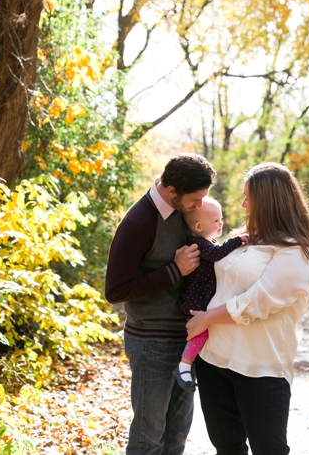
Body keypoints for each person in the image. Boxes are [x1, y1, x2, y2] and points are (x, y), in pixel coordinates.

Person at [185, 162, 309, 455]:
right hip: (213, 360)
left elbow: (258, 301)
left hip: (260, 366)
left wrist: (207, 318)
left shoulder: (298, 251)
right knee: (227, 447)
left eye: (248, 197)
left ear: (269, 202)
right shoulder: (245, 238)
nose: (242, 204)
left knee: (268, 449)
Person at [103, 153, 214, 455]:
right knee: (148, 438)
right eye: (194, 200)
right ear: (171, 191)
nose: (199, 206)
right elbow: (114, 290)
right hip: (151, 342)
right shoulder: (139, 222)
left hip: (186, 343)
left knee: (176, 437)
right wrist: (174, 271)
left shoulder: (186, 212)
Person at [171, 197, 248, 392]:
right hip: (195, 301)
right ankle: (184, 365)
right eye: (216, 220)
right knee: (201, 332)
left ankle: (188, 363)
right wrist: (238, 240)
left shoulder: (208, 241)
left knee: (203, 331)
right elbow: (217, 254)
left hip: (200, 299)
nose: (221, 223)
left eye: (221, 219)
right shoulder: (198, 244)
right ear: (198, 226)